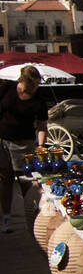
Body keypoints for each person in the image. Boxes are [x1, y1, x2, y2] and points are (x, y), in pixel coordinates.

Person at [0, 66, 48, 233]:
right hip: (3, 141)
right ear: (22, 80)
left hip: (25, 143)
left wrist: (41, 146)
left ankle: (32, 220)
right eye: (32, 84)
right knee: (5, 180)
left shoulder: (39, 99)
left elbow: (42, 126)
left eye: (37, 84)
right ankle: (6, 218)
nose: (35, 88)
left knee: (26, 182)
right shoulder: (7, 89)